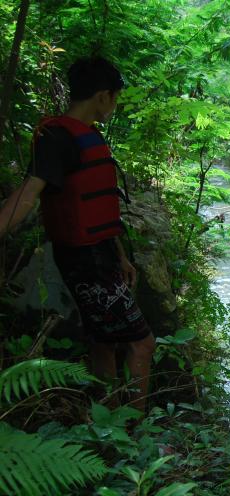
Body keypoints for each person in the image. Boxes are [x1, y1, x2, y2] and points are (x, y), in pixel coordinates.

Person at [0, 57, 154, 411]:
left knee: (103, 340)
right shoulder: (57, 137)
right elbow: (27, 195)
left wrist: (120, 255)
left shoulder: (82, 134)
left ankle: (107, 419)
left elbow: (96, 208)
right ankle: (136, 430)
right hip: (85, 260)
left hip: (99, 254)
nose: (113, 106)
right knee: (141, 344)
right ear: (103, 96)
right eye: (114, 98)